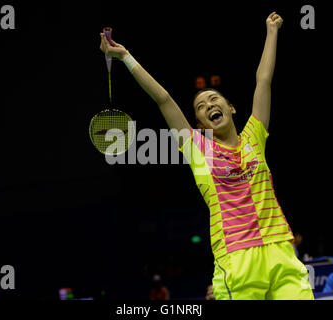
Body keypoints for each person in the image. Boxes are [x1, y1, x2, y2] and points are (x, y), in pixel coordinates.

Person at [99, 11, 314, 300]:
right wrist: (126, 57)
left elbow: (263, 80)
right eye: (201, 106)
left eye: (214, 99)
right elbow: (163, 99)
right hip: (236, 258)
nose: (209, 104)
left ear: (231, 108)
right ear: (200, 123)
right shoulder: (196, 147)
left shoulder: (255, 135)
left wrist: (272, 31)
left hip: (280, 251)